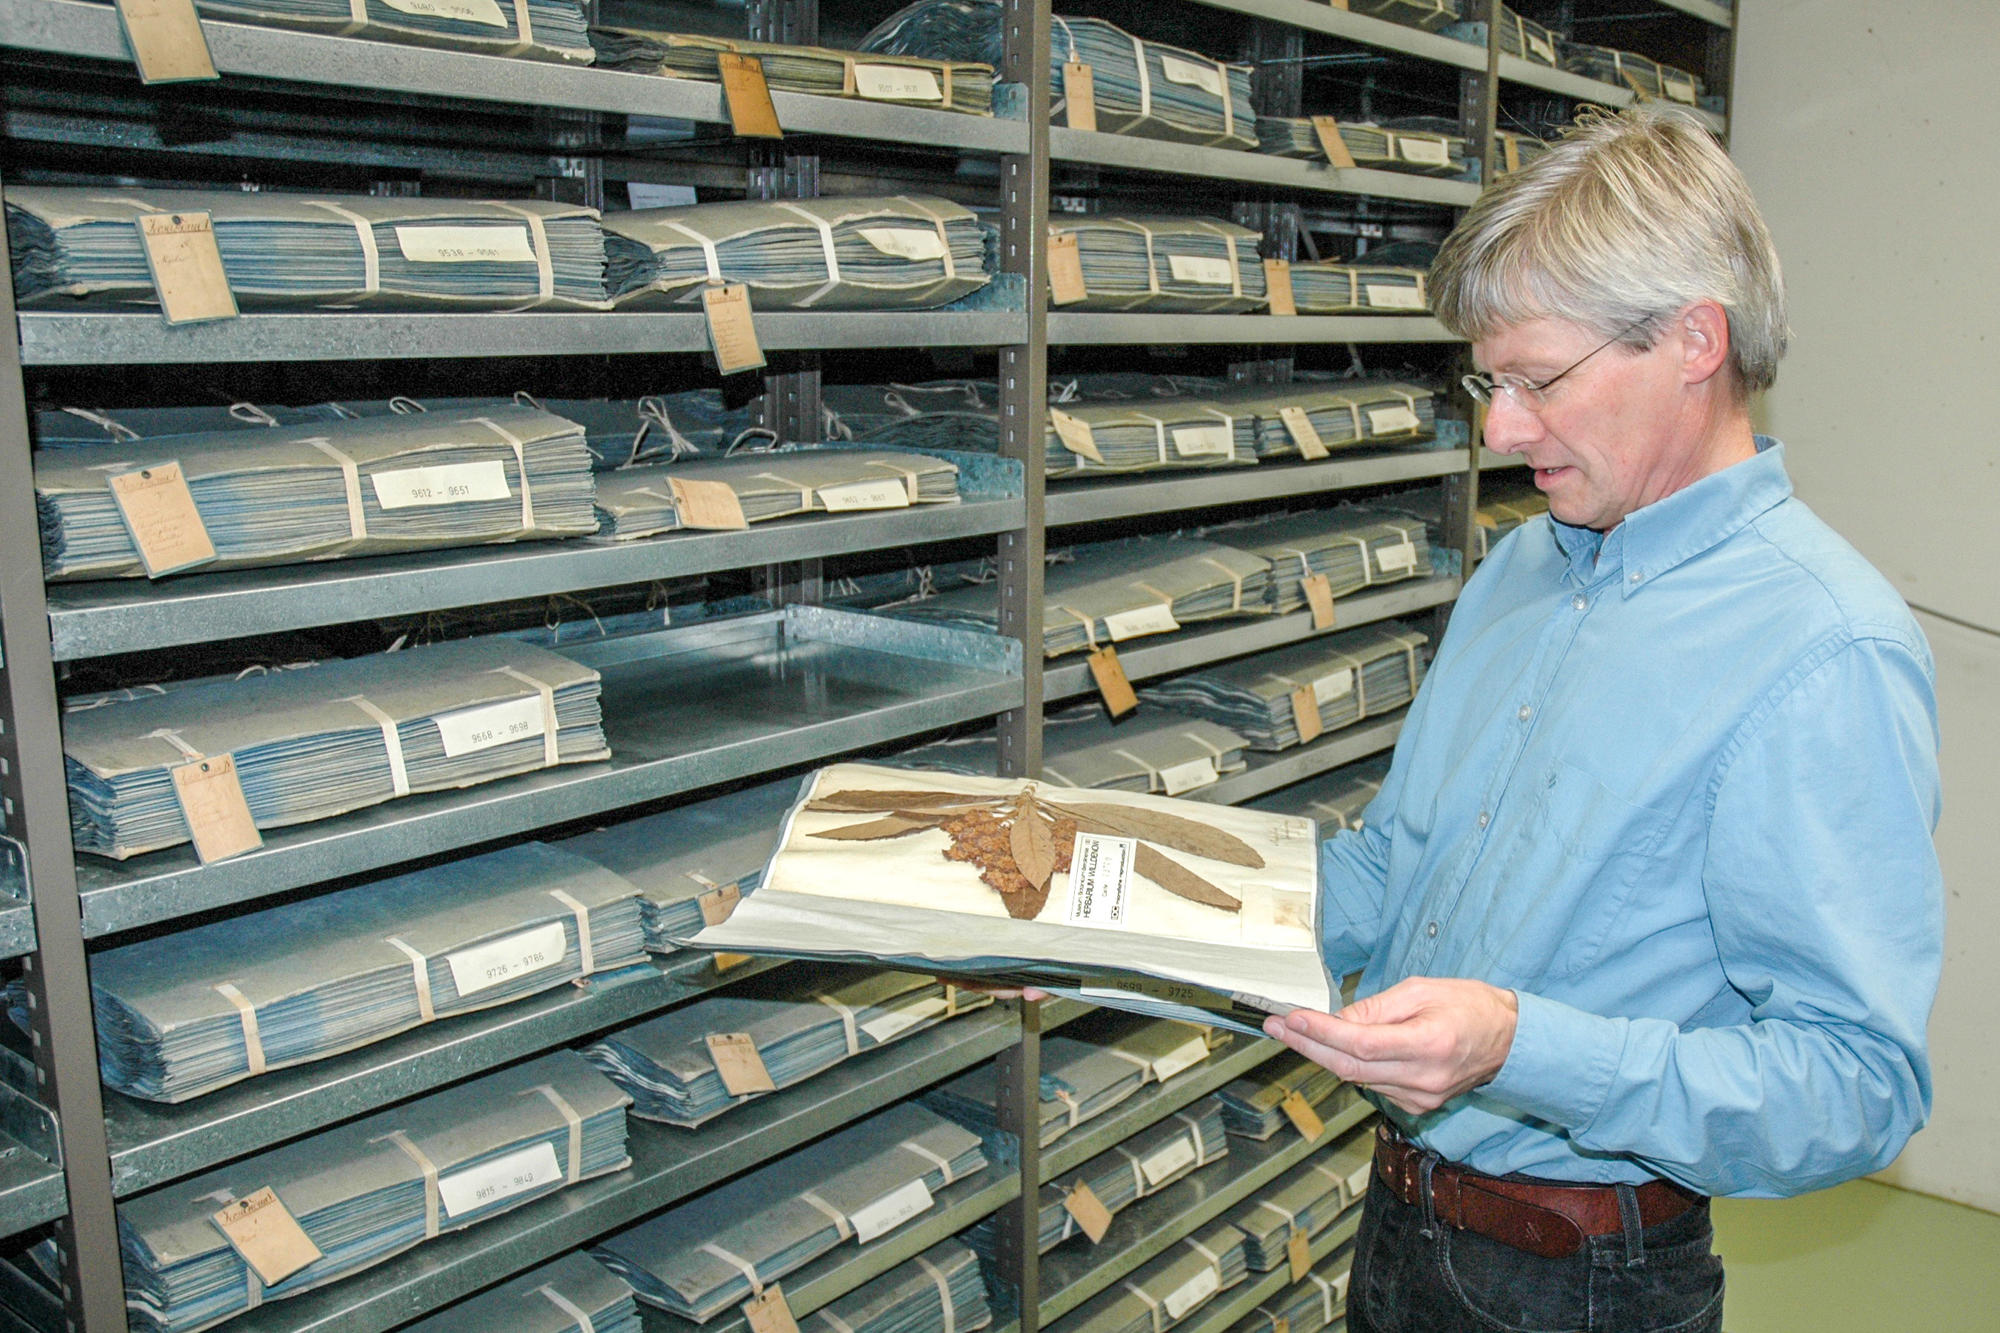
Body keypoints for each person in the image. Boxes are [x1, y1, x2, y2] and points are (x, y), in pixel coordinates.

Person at [1263, 106, 1945, 1333]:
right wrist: (1140, 925)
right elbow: (1387, 866)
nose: (1498, 428)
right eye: (1488, 380)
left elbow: (1853, 1084)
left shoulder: (1821, 648)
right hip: (1395, 1222)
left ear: (1693, 339)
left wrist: (1518, 1047)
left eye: (1535, 379)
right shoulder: (1523, 570)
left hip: (1579, 1284)